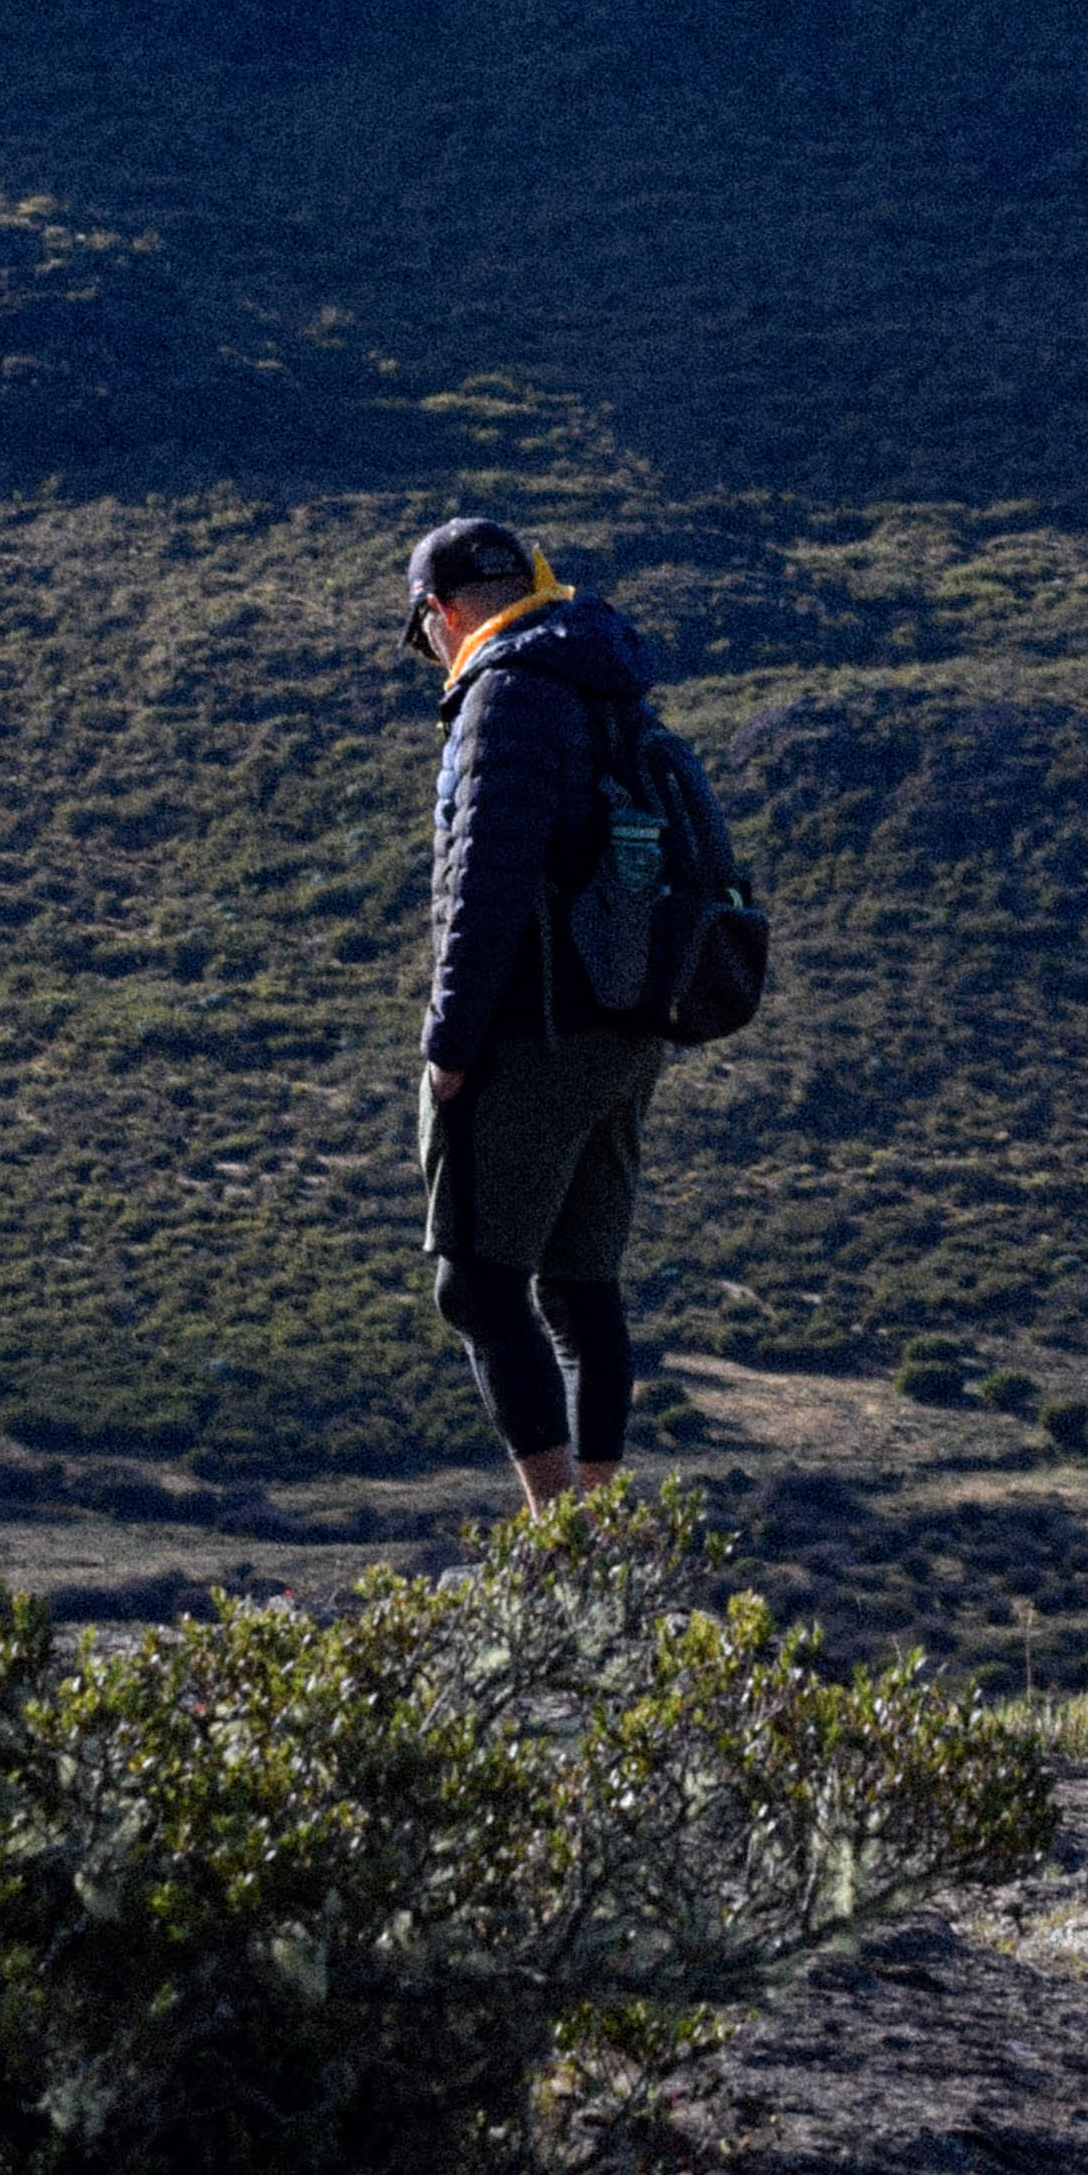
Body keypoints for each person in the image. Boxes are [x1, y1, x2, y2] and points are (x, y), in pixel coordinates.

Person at [402, 513, 674, 1504]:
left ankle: (557, 1540)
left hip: (538, 1027)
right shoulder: (602, 674)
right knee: (576, 1280)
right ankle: (599, 1534)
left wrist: (450, 1043)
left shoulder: (504, 695)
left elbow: (483, 885)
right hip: (626, 1020)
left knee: (476, 1283)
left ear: (438, 613)